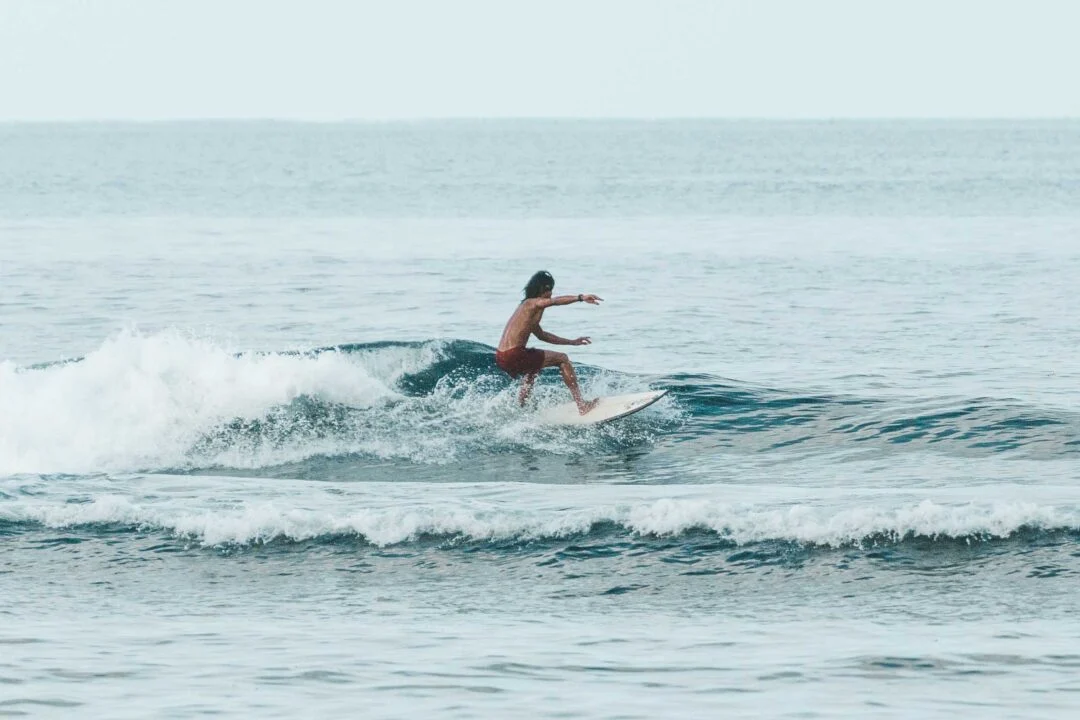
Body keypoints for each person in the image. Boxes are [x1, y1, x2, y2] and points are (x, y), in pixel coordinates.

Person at [495, 270, 602, 415]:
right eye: (549, 290)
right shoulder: (533, 303)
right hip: (514, 354)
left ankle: (522, 409)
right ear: (543, 289)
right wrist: (581, 298)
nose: (551, 293)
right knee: (562, 359)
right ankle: (582, 405)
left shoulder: (526, 309)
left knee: (532, 369)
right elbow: (555, 301)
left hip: (501, 356)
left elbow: (542, 335)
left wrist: (572, 342)